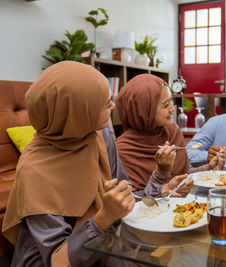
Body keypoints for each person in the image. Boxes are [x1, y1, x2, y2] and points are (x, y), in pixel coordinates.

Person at [2, 61, 136, 266]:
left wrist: (161, 189)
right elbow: (56, 256)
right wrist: (103, 218)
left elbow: (124, 191)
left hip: (100, 243)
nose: (113, 106)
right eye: (105, 103)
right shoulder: (34, 170)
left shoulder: (99, 137)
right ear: (77, 112)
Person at [116, 74, 225, 191]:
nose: (172, 109)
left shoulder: (172, 131)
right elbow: (135, 200)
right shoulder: (122, 149)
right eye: (166, 105)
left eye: (171, 101)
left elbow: (184, 174)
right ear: (144, 110)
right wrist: (162, 171)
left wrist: (209, 168)